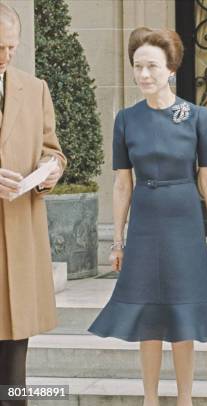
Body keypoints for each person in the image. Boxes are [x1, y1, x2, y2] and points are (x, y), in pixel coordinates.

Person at [88, 27, 207, 406]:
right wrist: (117, 241)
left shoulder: (196, 116)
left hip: (184, 220)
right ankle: (150, 399)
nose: (144, 74)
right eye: (138, 66)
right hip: (145, 225)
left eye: (152, 66)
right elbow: (122, 185)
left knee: (183, 313)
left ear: (171, 69)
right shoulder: (125, 119)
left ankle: (185, 398)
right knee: (147, 317)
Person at [0, 4, 66, 405]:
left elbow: (52, 149)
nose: (4, 56)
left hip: (20, 236)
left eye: (11, 47)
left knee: (14, 362)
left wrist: (51, 169)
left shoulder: (35, 87)